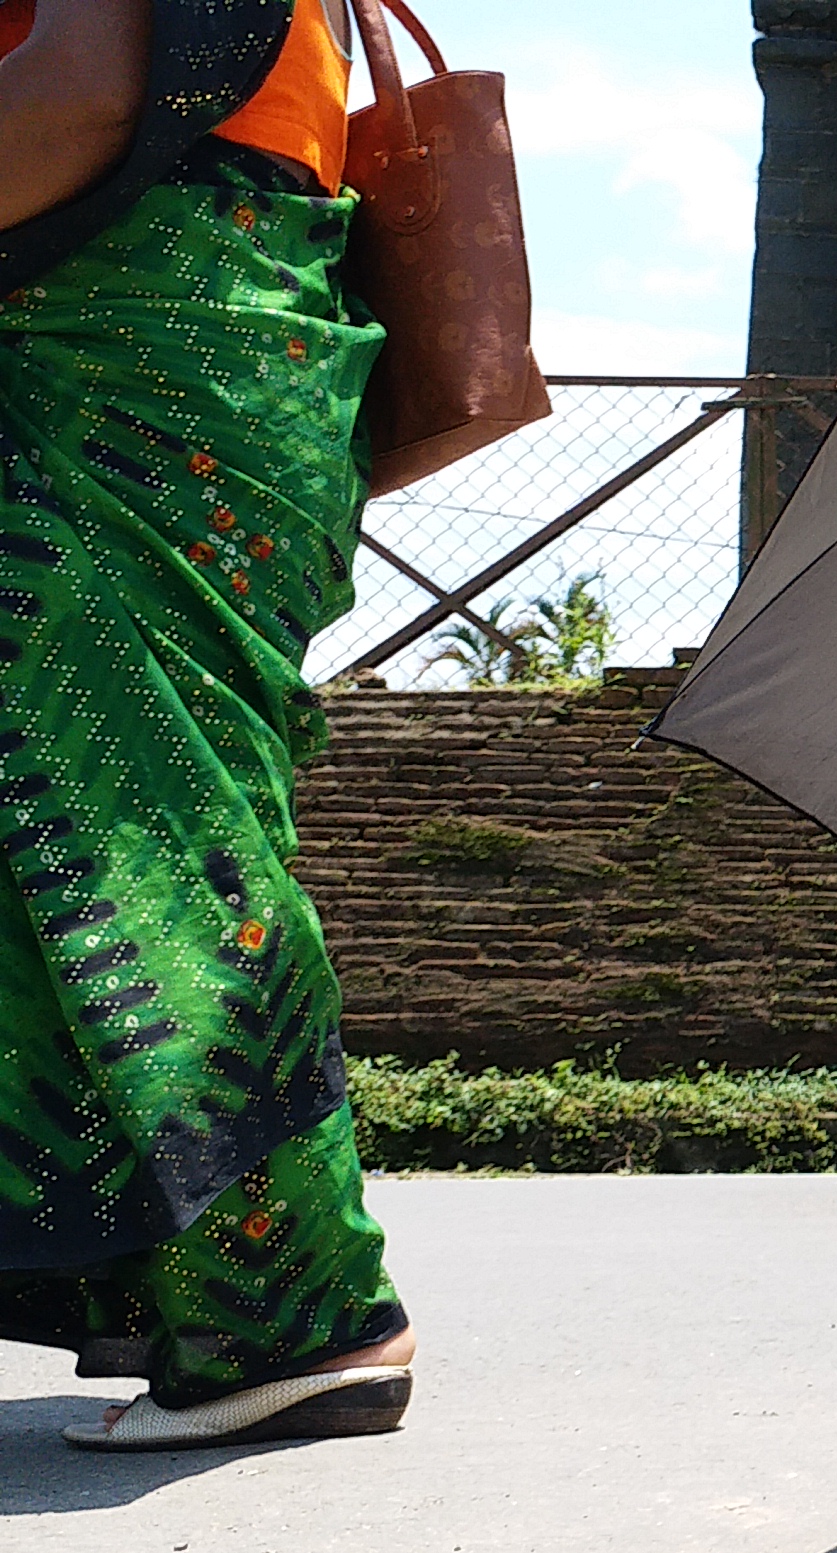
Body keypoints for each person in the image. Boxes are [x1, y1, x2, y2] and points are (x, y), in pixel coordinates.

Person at [0, 0, 415, 1449]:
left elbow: (80, 99)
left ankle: (298, 1314)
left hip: (129, 330)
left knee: (147, 833)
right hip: (203, 345)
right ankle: (179, 1286)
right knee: (122, 815)